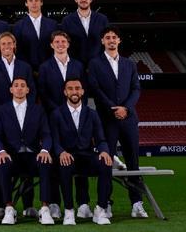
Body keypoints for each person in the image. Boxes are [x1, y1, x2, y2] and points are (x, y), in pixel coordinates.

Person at [87, 25, 147, 219]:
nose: (111, 40)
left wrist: (126, 108)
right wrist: (113, 108)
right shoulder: (95, 64)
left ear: (119, 41)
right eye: (107, 37)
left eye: (114, 37)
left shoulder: (129, 64)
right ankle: (106, 203)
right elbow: (95, 89)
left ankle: (137, 203)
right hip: (107, 119)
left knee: (133, 162)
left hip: (128, 119)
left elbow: (136, 89)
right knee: (106, 162)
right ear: (102, 41)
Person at [49, 78, 113, 226]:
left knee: (105, 162)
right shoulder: (56, 114)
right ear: (65, 92)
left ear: (82, 91)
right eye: (70, 89)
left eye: (77, 88)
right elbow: (54, 140)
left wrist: (104, 151)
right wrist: (61, 152)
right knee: (64, 165)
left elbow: (101, 139)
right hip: (67, 156)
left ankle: (101, 209)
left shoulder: (92, 113)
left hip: (87, 156)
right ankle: (69, 211)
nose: (74, 91)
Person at [0, 77, 56, 226]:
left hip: (33, 154)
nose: (19, 88)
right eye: (16, 85)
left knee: (45, 162)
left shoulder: (38, 109)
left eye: (23, 86)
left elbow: (46, 134)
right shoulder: (2, 110)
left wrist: (45, 150)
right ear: (11, 90)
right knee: (2, 163)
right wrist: (1, 151)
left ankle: (45, 208)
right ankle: (9, 208)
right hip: (11, 155)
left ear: (28, 90)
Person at [37, 31, 87, 219]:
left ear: (68, 44)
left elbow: (83, 90)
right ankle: (55, 203)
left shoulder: (78, 66)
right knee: (56, 162)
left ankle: (83, 203)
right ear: (51, 45)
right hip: (54, 117)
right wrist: (60, 110)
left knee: (81, 157)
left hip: (77, 117)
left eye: (63, 41)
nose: (60, 44)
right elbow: (42, 92)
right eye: (56, 41)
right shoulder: (44, 67)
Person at [59, 0, 109, 69]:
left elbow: (106, 42)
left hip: (99, 65)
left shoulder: (102, 19)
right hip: (75, 65)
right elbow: (65, 44)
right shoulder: (67, 20)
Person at [0, 32, 35, 111]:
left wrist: (26, 109)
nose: (7, 46)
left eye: (9, 43)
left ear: (14, 45)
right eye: (3, 44)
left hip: (24, 111)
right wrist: (1, 110)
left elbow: (32, 91)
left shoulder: (26, 67)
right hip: (0, 112)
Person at [12, 0, 57, 73]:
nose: (34, 3)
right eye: (30, 0)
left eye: (36, 0)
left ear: (41, 2)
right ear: (26, 3)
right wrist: (26, 67)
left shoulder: (53, 24)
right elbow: (17, 50)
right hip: (26, 69)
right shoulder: (18, 26)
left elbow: (55, 48)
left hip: (50, 68)